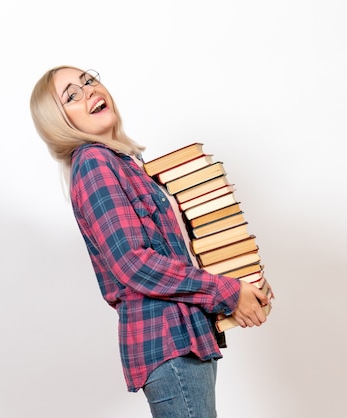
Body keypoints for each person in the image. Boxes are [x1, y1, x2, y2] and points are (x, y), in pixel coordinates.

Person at [30, 65, 271, 418]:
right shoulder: (95, 163)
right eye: (71, 95)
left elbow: (179, 249)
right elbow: (133, 264)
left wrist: (241, 281)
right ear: (58, 121)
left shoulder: (125, 163)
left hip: (186, 336)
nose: (89, 91)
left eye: (89, 80)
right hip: (167, 342)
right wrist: (228, 292)